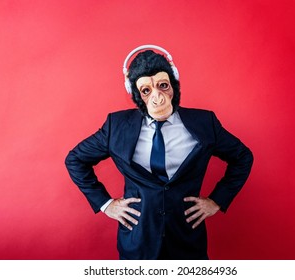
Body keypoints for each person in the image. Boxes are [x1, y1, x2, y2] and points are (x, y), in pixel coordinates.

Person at [65, 45, 253, 260]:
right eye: (146, 90)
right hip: (138, 243)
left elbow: (242, 157)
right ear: (136, 94)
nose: (157, 97)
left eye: (163, 86)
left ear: (174, 84)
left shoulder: (204, 123)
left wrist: (217, 200)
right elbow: (76, 159)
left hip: (187, 242)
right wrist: (106, 204)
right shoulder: (116, 126)